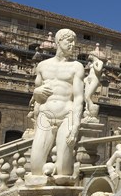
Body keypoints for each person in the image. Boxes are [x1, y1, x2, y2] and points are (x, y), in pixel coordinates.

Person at [30, 29, 85, 176]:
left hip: (67, 115)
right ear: (58, 41)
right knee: (35, 166)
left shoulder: (76, 66)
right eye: (69, 41)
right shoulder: (42, 65)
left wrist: (75, 125)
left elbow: (79, 97)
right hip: (46, 115)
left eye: (74, 42)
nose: (72, 45)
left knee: (63, 170)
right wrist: (36, 92)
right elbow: (36, 93)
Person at [83, 53, 105, 119]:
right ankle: (87, 111)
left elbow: (98, 71)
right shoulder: (91, 63)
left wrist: (95, 65)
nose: (88, 56)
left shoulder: (99, 62)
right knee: (85, 97)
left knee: (88, 96)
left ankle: (93, 112)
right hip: (89, 79)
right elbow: (90, 72)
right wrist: (86, 78)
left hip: (95, 79)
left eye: (90, 54)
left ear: (93, 55)